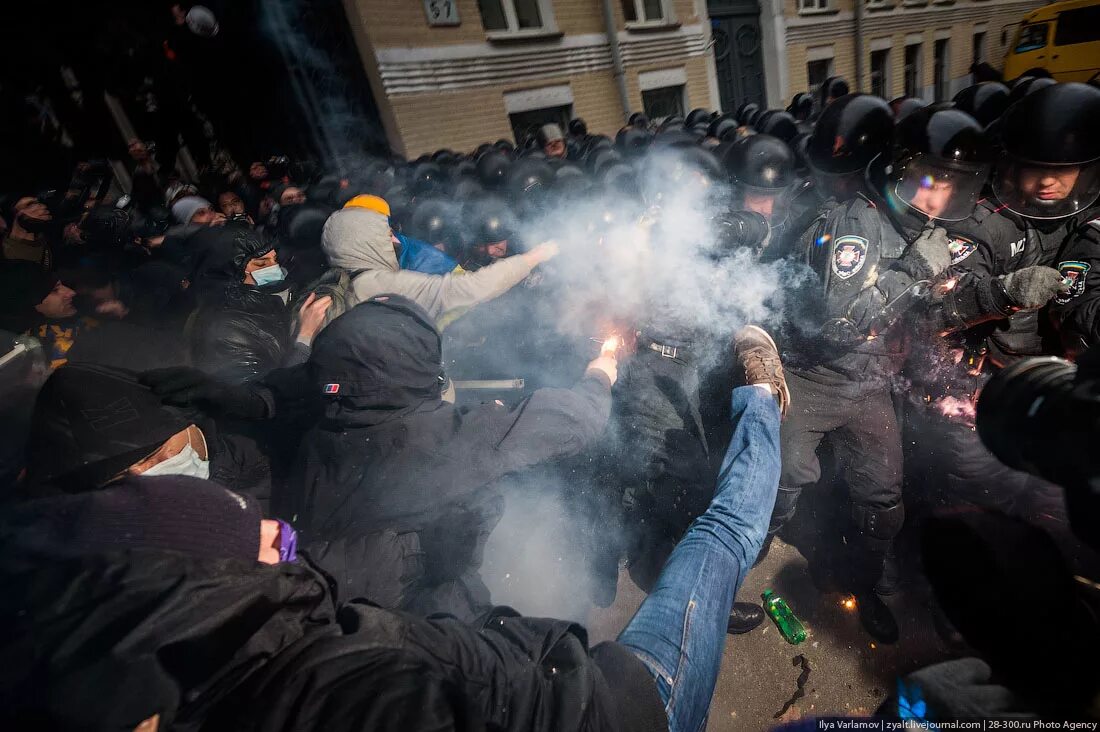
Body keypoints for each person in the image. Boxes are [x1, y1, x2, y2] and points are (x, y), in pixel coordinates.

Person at [2, 323, 786, 732]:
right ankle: (763, 401)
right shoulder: (333, 686)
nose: (274, 543)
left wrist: (261, 393)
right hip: (575, 694)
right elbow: (575, 419)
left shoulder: (304, 430)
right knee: (717, 541)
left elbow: (314, 388)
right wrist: (604, 363)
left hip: (435, 620)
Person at [775, 94, 960, 643]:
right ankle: (732, 570)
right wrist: (913, 272)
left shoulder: (911, 212)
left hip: (869, 378)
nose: (935, 194)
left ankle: (869, 582)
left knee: (881, 497)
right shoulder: (854, 216)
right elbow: (839, 321)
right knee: (780, 481)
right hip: (812, 375)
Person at [319, 194, 558, 325]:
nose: (393, 238)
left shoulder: (323, 291)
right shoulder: (379, 285)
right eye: (385, 232)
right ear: (364, 239)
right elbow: (468, 290)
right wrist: (533, 257)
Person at [3, 196, 53, 268]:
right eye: (30, 205)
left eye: (38, 202)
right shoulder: (7, 254)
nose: (40, 206)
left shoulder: (43, 238)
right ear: (15, 214)